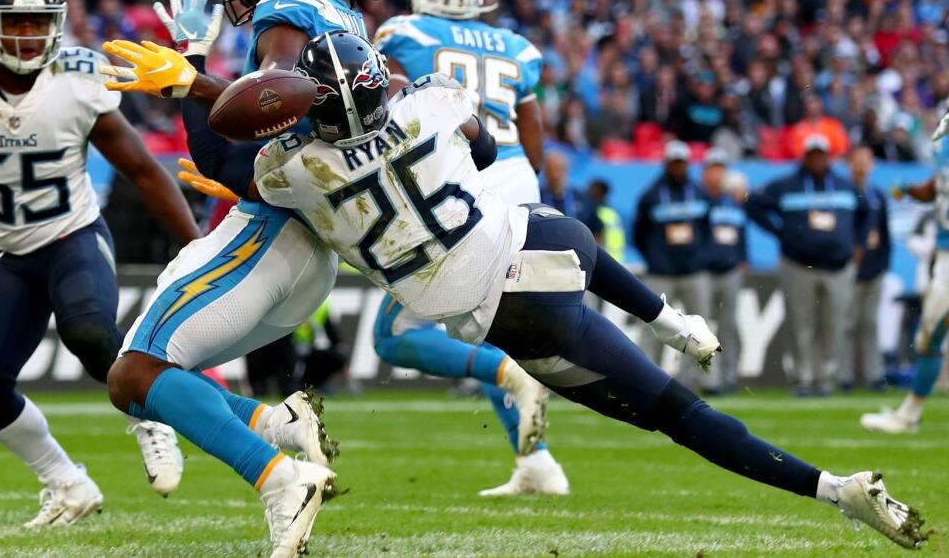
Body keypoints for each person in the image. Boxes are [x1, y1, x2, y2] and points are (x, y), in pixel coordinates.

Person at [235, 31, 923, 550]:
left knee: (673, 417)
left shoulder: (288, 172)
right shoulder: (431, 103)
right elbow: (479, 151)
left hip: (505, 319)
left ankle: (834, 487)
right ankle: (678, 328)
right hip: (546, 251)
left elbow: (251, 149)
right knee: (549, 230)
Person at [102, 0, 379, 558]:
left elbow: (273, 97)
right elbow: (233, 149)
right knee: (162, 366)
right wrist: (194, 65)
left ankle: (279, 476)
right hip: (312, 248)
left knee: (134, 374)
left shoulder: (292, 14)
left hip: (271, 236)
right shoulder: (349, 22)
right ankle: (276, 422)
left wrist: (193, 80)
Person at [0, 0, 200, 527]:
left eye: (39, 22)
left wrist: (196, 245)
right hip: (5, 250)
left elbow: (144, 172)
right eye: (15, 24)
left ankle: (150, 418)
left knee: (88, 330)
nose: (28, 35)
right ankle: (66, 483)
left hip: (73, 233)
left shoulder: (78, 79)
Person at [366, 0, 566, 497]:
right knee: (482, 329)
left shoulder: (405, 34)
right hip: (518, 185)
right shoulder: (519, 47)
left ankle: (512, 383)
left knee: (393, 333)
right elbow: (532, 127)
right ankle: (537, 462)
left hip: (461, 185)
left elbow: (388, 102)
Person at [747, 133, 866, 397]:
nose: (816, 159)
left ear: (828, 156)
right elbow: (753, 203)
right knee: (801, 324)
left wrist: (858, 243)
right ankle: (803, 377)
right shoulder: (787, 185)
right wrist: (780, 232)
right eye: (812, 154)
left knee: (834, 324)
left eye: (820, 155)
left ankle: (827, 377)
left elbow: (867, 212)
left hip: (838, 266)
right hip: (799, 264)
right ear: (804, 156)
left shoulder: (845, 185)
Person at [860, 131, 947, 433]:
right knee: (929, 337)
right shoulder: (943, 140)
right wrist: (912, 191)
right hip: (945, 255)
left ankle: (909, 414)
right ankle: (909, 414)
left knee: (931, 336)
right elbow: (939, 185)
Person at [632, 141, 712, 381]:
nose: (678, 168)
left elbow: (706, 230)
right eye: (674, 163)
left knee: (698, 329)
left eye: (682, 163)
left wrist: (699, 256)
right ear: (667, 164)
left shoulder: (699, 192)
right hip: (660, 273)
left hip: (693, 272)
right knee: (653, 326)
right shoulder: (651, 195)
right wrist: (656, 258)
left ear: (688, 164)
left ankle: (692, 380)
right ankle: (647, 377)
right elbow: (639, 234)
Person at [701, 150, 748, 395]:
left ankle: (729, 376)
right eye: (712, 170)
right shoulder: (698, 199)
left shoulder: (734, 202)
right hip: (705, 271)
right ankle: (708, 378)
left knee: (728, 326)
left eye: (721, 170)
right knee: (702, 326)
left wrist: (743, 259)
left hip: (730, 270)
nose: (717, 175)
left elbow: (741, 235)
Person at [844, 145, 890, 392]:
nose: (862, 165)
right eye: (857, 160)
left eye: (866, 160)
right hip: (849, 267)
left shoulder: (877, 195)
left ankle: (874, 374)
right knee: (848, 323)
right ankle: (845, 375)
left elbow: (884, 234)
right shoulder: (843, 192)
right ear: (849, 163)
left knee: (870, 322)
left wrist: (883, 263)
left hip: (874, 267)